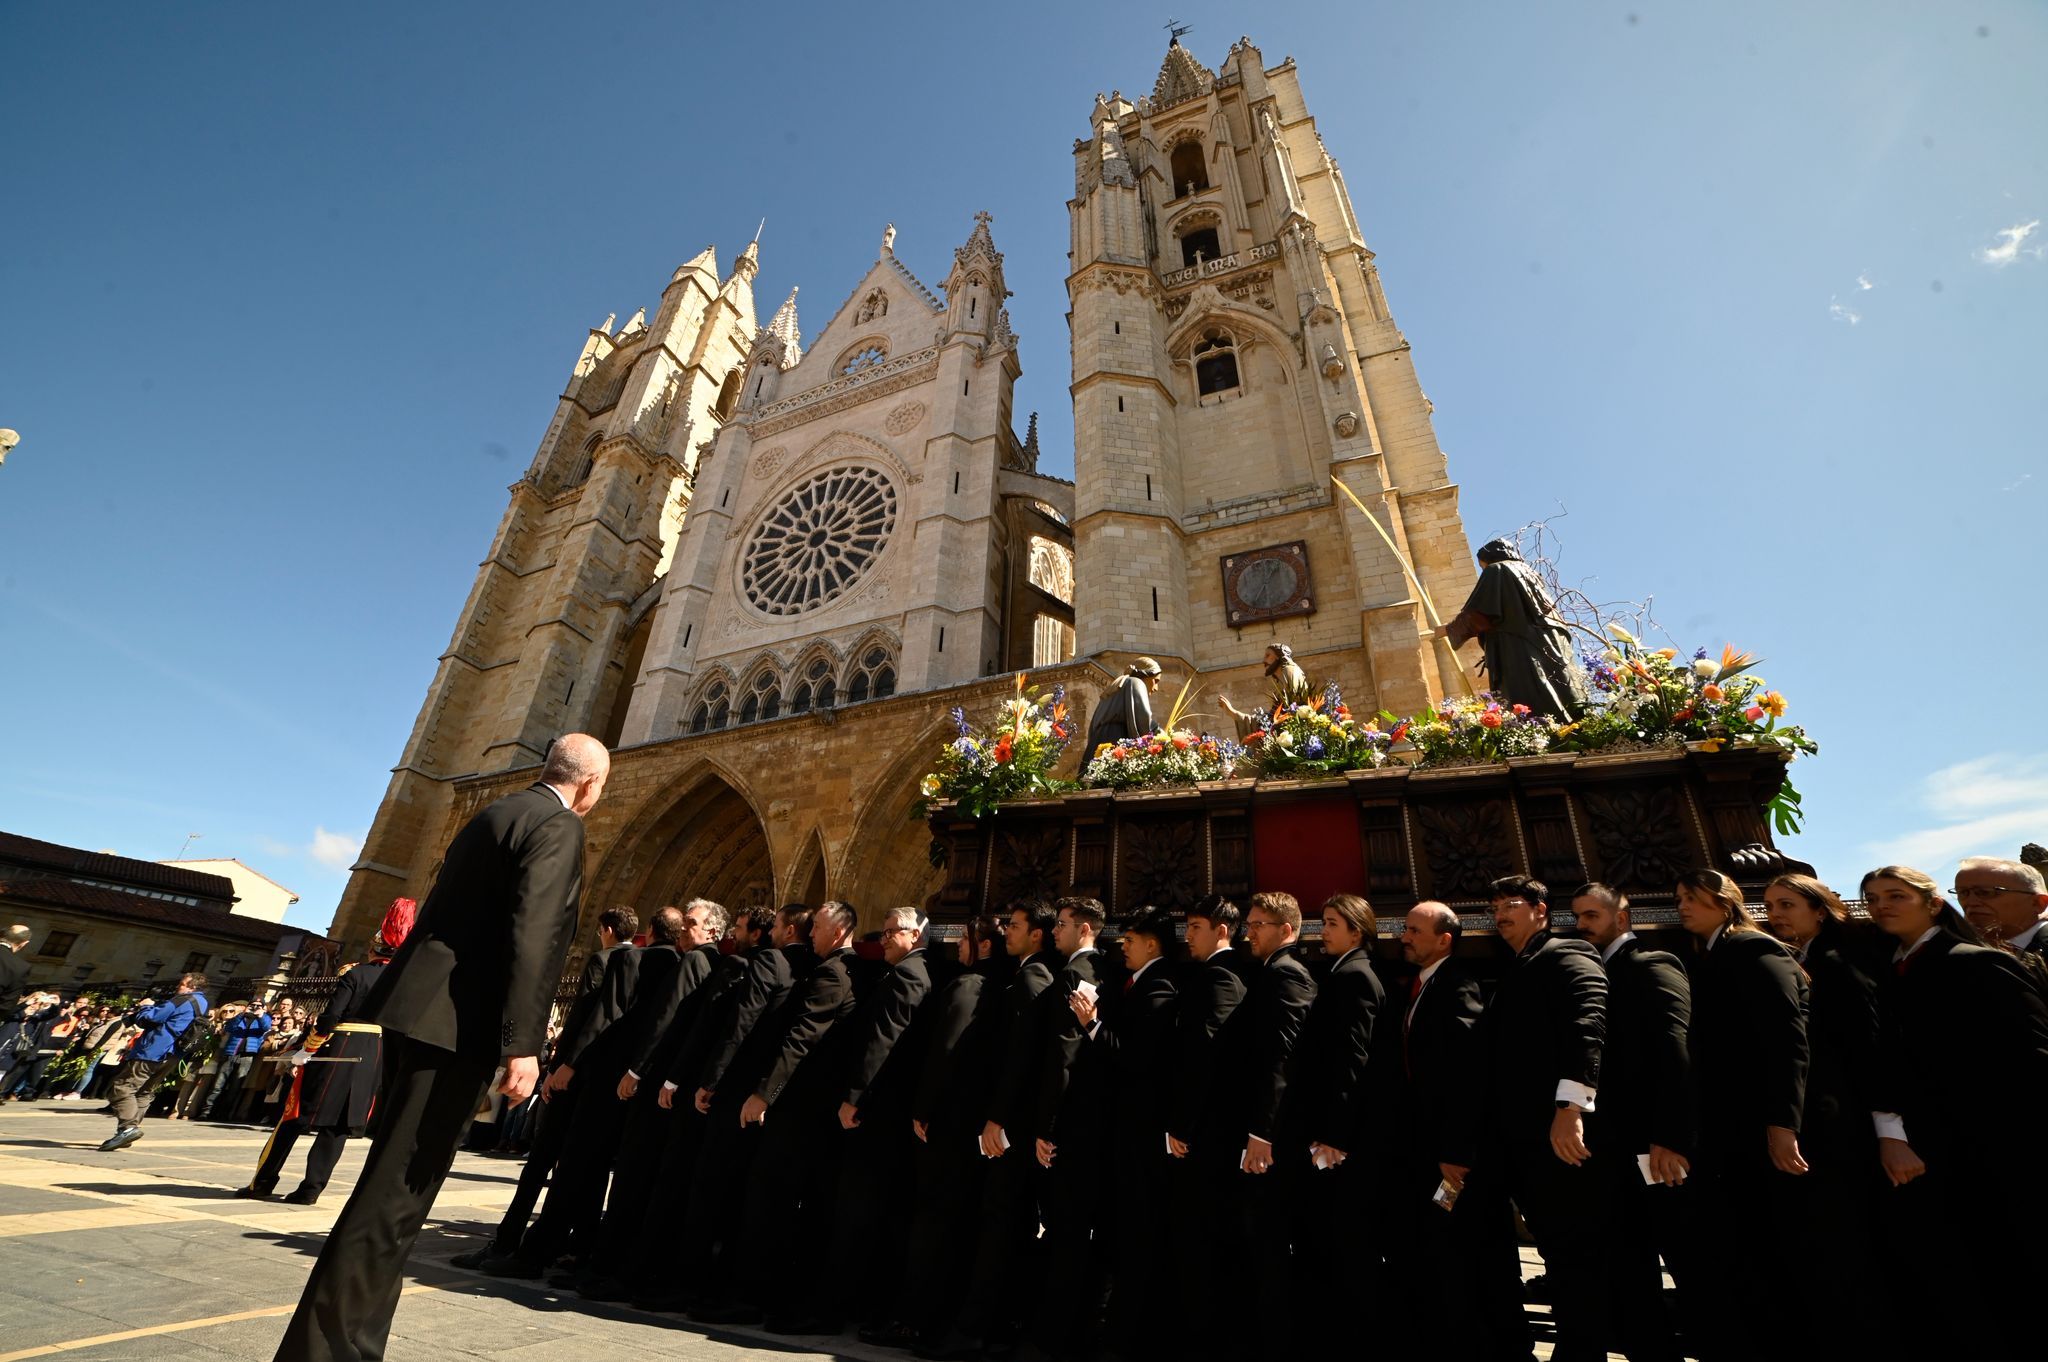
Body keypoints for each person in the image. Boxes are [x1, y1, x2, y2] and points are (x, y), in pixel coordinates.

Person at [272, 731, 609, 1362]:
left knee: (393, 1187)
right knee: (398, 1192)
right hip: (457, 1026)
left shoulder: (497, 811)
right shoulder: (558, 827)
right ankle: (329, 1350)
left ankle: (350, 1340)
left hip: (415, 1014)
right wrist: (523, 1045)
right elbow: (534, 939)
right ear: (588, 784)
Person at [1866, 864, 2048, 1362]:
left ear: (1931, 904)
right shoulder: (1886, 965)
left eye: (1895, 895)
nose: (1881, 905)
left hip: (2001, 1146)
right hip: (1939, 1149)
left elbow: (2033, 1056)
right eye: (1873, 897)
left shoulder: (1972, 962)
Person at [691, 901, 862, 1328]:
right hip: (819, 1113)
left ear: (839, 931)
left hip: (799, 1111)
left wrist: (764, 1095)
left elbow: (800, 1038)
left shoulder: (830, 973)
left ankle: (749, 1296)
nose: (812, 935)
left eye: (819, 928)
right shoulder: (857, 971)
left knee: (767, 1201)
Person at [1458, 876, 1607, 1362]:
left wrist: (1571, 1108)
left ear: (1542, 910)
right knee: (1555, 1246)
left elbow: (1588, 1026)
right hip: (1519, 1137)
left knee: (1572, 1249)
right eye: (1494, 906)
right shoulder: (1519, 966)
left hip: (1556, 1131)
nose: (1500, 914)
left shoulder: (1566, 953)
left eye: (1512, 905)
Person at [449, 905, 639, 1270]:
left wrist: (559, 1067)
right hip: (603, 1085)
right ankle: (580, 1243)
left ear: (607, 929)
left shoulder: (603, 961)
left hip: (573, 1078)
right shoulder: (641, 962)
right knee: (586, 1167)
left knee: (539, 1164)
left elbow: (585, 1018)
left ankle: (507, 1242)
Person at [1673, 867, 1808, 1362]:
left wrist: (1782, 1122)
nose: (1683, 905)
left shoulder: (1754, 949)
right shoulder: (1705, 955)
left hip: (1760, 1120)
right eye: (1680, 897)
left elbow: (1786, 1040)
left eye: (1694, 897)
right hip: (1726, 1123)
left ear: (1725, 902)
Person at [1570, 882, 1689, 1362]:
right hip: (1615, 1152)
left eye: (1591, 916)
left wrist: (1671, 1136)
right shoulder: (1594, 968)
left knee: (1685, 1259)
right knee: (1629, 1263)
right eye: (1576, 917)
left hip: (1655, 1147)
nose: (1581, 926)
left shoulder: (1649, 964)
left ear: (1621, 918)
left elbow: (1674, 1053)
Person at [800, 907, 933, 1336]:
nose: (886, 938)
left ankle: (832, 1311)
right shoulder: (912, 972)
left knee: (857, 1214)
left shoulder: (909, 975)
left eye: (894, 931)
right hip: (887, 1116)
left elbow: (883, 1041)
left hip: (878, 1116)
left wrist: (854, 1097)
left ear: (915, 935)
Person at [939, 900, 1061, 1357]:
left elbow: (1021, 1059)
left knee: (999, 1223)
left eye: (1015, 925)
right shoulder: (1033, 975)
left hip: (1013, 1128)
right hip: (1019, 1126)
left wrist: (999, 1120)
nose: (1007, 931)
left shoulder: (1031, 978)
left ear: (1037, 935)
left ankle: (978, 1329)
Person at [239, 899, 418, 1206]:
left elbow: (329, 1017)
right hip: (372, 1056)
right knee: (337, 1127)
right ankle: (311, 1188)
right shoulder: (405, 982)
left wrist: (307, 1050)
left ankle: (264, 1181)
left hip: (337, 1048)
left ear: (374, 949)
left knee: (293, 1116)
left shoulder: (356, 974)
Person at [895, 916, 1011, 1352]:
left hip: (949, 1125)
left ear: (981, 944)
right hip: (973, 1128)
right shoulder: (1003, 985)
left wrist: (923, 1108)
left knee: (933, 1222)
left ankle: (919, 1321)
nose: (957, 946)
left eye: (963, 939)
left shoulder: (970, 986)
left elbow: (946, 1052)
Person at [1065, 908, 1177, 1358]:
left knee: (1137, 1234)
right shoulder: (1137, 982)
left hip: (1140, 1133)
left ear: (1152, 944)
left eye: (1130, 939)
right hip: (1121, 1131)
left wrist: (1092, 1023)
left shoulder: (1160, 986)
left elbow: (1136, 1060)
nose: (1122, 945)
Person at [1372, 902, 1482, 1362]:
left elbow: (1464, 1074)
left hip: (1448, 1156)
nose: (1404, 937)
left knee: (1451, 1249)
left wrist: (1456, 1151)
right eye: (1405, 929)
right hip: (1419, 1149)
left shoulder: (1457, 986)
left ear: (1444, 940)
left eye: (1415, 931)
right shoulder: (1418, 988)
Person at [1284, 893, 1384, 1357]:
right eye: (1322, 922)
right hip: (1333, 1131)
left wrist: (1336, 1134)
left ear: (1356, 930)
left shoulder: (1354, 976)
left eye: (1331, 923)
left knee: (1344, 1240)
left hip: (1340, 1138)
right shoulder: (1346, 972)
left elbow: (1352, 1060)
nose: (1321, 930)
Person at [1162, 894, 1252, 1354]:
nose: (1187, 936)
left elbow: (1205, 1057)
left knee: (1203, 1239)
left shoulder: (1222, 977)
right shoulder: (1214, 974)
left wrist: (1182, 1125)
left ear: (1222, 930)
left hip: (1209, 1135)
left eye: (1195, 927)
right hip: (1208, 1131)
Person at [1231, 892, 1318, 1362]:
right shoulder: (1269, 972)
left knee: (1269, 1245)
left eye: (1259, 924)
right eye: (1249, 923)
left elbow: (1282, 1059)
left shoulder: (1287, 975)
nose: (1251, 932)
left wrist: (1261, 1134)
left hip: (1275, 1140)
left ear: (1287, 929)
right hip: (1264, 1134)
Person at [1032, 897, 1110, 1357]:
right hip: (1093, 1123)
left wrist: (1048, 1126)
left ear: (1083, 929)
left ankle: (1060, 1332)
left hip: (1073, 1124)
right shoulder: (1101, 968)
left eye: (1060, 925)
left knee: (1067, 1229)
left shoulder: (1075, 974)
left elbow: (1064, 1054)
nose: (1053, 932)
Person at [1441, 537, 1587, 721]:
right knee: (1561, 688)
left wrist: (1447, 630)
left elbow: (1480, 612)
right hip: (1551, 642)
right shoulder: (1531, 574)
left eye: (1482, 566)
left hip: (1519, 644)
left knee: (1530, 695)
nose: (1483, 570)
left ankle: (1544, 733)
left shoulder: (1497, 570)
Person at [1954, 856, 2048, 985]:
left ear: (2038, 903)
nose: (1970, 902)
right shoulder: (1965, 957)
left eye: (1985, 892)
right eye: (1963, 893)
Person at [202, 993, 274, 1120]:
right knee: (218, 1084)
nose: (255, 1007)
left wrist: (260, 1015)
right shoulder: (239, 1017)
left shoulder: (265, 1018)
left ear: (263, 1008)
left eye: (259, 1006)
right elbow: (230, 1027)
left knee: (235, 1086)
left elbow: (266, 1027)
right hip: (231, 1052)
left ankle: (225, 1114)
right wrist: (241, 1014)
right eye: (253, 1005)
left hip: (247, 1054)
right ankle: (207, 1112)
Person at [1084, 657, 1162, 755]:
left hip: (1095, 749)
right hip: (1116, 743)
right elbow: (1144, 720)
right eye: (1156, 681)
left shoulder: (1112, 691)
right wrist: (1164, 737)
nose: (1156, 688)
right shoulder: (1136, 682)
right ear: (1145, 674)